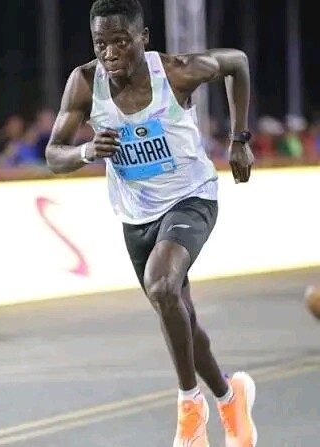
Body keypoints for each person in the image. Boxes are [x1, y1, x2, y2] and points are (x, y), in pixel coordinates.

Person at [45, 1, 256, 446]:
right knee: (180, 316)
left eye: (120, 41)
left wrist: (239, 139)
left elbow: (237, 63)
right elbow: (53, 154)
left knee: (161, 285)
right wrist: (86, 151)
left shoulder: (176, 73)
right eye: (100, 43)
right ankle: (228, 398)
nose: (110, 53)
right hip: (135, 214)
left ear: (143, 38)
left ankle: (190, 406)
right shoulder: (84, 83)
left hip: (190, 198)